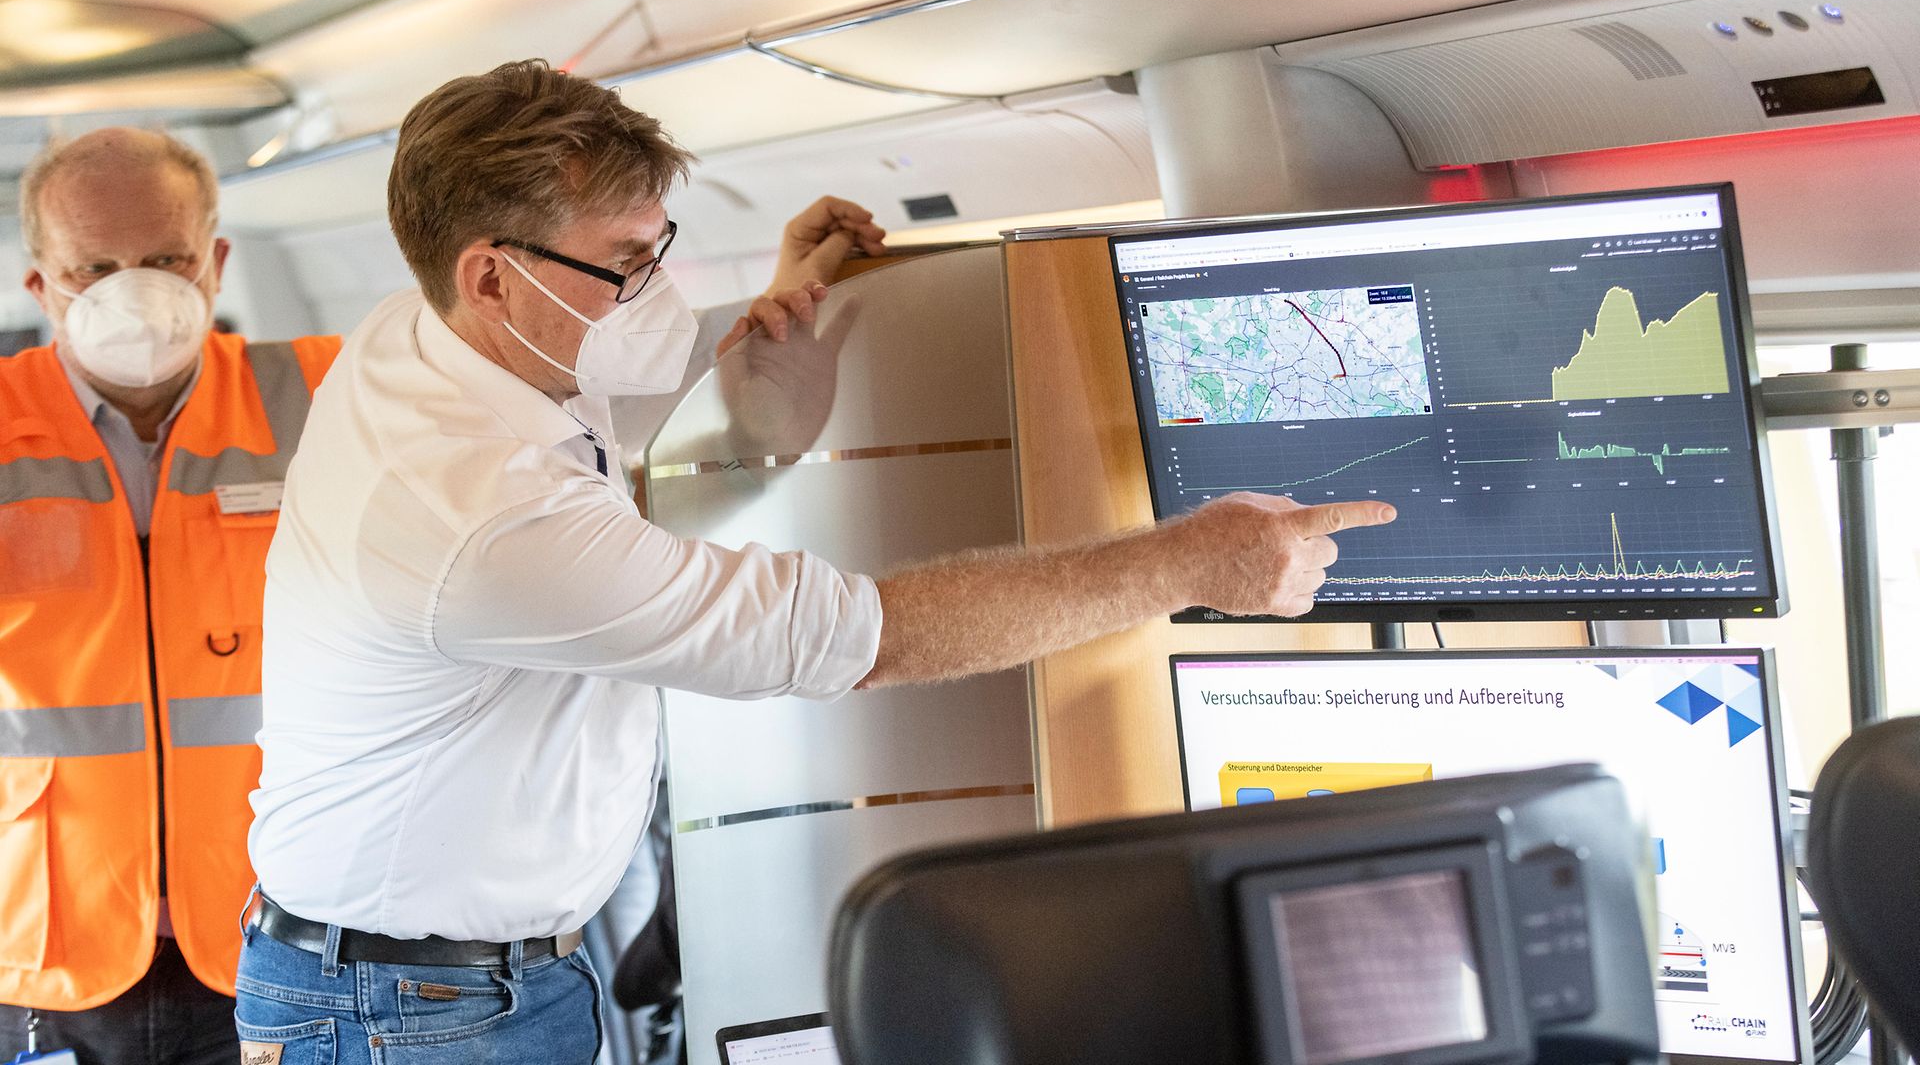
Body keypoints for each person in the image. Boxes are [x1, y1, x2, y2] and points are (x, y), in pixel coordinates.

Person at [241, 59, 1395, 1062]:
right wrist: (1185, 566)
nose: (660, 290)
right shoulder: (473, 509)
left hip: (452, 978)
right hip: (408, 1011)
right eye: (628, 263)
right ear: (493, 273)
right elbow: (860, 638)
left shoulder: (434, 337)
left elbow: (619, 416)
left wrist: (772, 324)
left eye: (664, 249)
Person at [0, 129, 342, 1064]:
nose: (133, 290)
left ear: (217, 261)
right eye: (95, 267)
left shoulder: (326, 394)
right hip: (39, 941)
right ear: (42, 287)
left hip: (270, 935)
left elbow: (537, 384)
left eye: (164, 260)